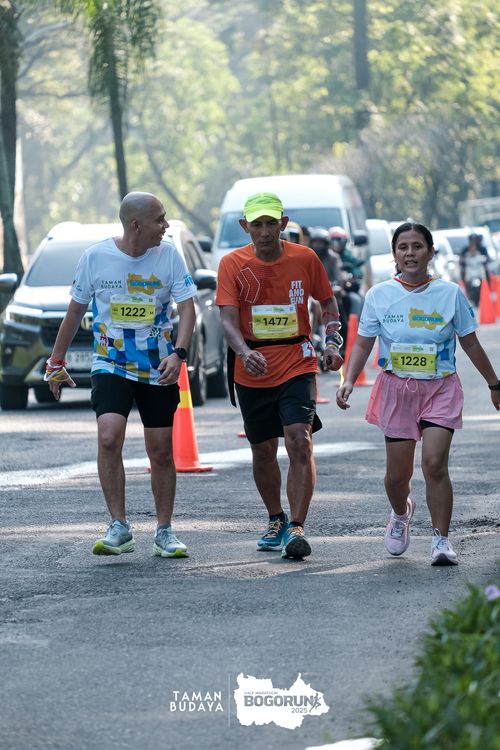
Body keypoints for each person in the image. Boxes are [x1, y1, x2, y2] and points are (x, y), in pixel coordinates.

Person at [336, 221, 500, 566]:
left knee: (435, 464)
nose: (410, 253)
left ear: (430, 252)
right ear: (395, 254)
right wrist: (348, 380)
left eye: (417, 246)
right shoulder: (378, 295)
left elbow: (470, 342)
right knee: (397, 478)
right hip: (397, 390)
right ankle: (401, 513)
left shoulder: (450, 294)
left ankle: (441, 540)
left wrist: (493, 383)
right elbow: (363, 342)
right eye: (403, 247)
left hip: (440, 388)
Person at [45, 192, 196, 558]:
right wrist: (55, 361)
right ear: (136, 225)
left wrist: (179, 354)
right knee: (109, 437)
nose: (165, 226)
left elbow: (188, 309)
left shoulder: (168, 255)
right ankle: (118, 526)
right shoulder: (95, 257)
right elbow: (75, 311)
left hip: (157, 366)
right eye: (160, 219)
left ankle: (164, 531)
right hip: (110, 363)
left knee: (161, 450)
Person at [216, 192, 344, 560]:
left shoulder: (305, 258)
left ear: (283, 224)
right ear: (245, 227)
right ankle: (276, 519)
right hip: (252, 364)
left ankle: (297, 528)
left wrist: (331, 342)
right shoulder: (232, 263)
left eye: (271, 223)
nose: (265, 231)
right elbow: (227, 319)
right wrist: (244, 352)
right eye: (257, 224)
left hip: (297, 359)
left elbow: (327, 302)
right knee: (262, 450)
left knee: (299, 439)